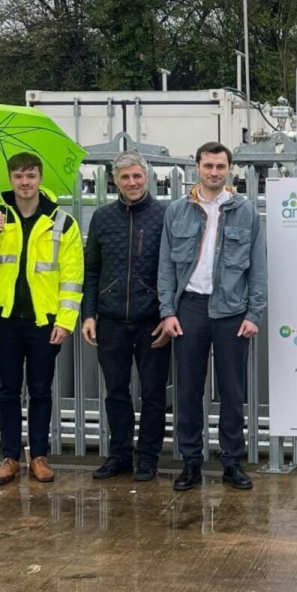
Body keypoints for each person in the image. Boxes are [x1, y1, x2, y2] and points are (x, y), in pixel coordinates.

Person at [157, 142, 265, 493]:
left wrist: (255, 313)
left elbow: (258, 267)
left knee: (232, 391)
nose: (214, 172)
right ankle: (191, 461)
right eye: (208, 166)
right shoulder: (177, 211)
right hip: (189, 307)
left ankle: (232, 461)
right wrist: (167, 311)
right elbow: (165, 266)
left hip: (232, 310)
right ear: (197, 168)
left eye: (220, 166)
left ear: (230, 169)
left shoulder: (245, 211)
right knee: (188, 389)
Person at [0, 152, 84, 486]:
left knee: (40, 390)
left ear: (40, 178)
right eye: (19, 176)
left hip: (44, 320)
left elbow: (72, 276)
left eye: (31, 175)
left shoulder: (63, 222)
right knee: (7, 390)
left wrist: (65, 320)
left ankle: (38, 456)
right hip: (2, 318)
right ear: (10, 179)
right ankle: (9, 458)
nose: (25, 182)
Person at [82, 151, 173, 482]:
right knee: (116, 392)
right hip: (110, 320)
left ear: (146, 177)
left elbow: (174, 269)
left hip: (152, 321)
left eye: (137, 176)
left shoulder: (165, 216)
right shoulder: (102, 218)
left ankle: (147, 458)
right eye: (125, 177)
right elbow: (91, 270)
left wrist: (168, 314)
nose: (132, 182)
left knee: (153, 393)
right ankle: (119, 454)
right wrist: (88, 314)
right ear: (115, 181)